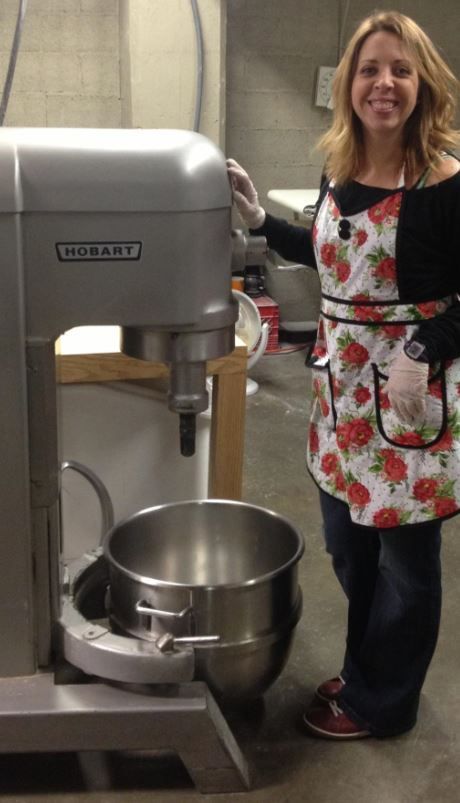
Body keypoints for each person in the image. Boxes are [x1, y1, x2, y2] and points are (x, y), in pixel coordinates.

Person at [227, 10, 460, 740]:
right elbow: (331, 255)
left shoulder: (442, 180)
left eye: (398, 68)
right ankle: (368, 668)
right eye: (369, 69)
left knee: (405, 566)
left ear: (422, 83)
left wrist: (422, 354)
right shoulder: (340, 168)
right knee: (348, 546)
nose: (382, 83)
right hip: (339, 402)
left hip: (406, 404)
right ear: (348, 87)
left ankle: (383, 702)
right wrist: (262, 220)